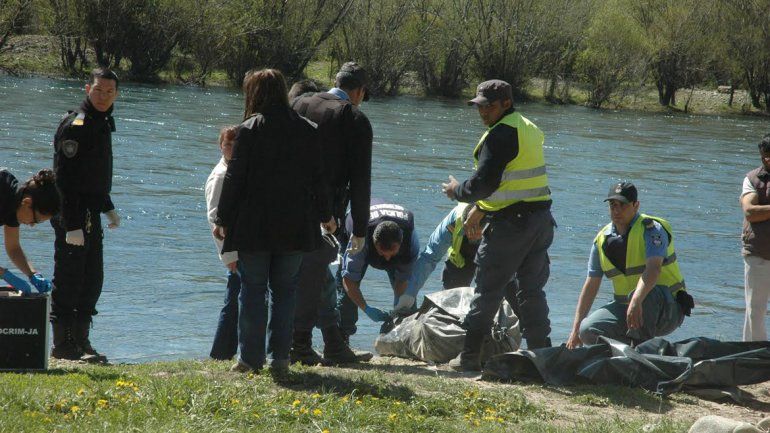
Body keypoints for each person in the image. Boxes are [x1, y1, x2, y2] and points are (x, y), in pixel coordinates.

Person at [214, 68, 335, 373]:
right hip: (296, 226)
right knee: (285, 291)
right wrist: (326, 216)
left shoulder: (248, 130)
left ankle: (249, 359)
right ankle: (279, 359)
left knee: (252, 290)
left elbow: (235, 179)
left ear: (253, 94)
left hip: (254, 226)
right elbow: (318, 179)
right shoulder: (308, 130)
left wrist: (223, 218)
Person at [442, 79, 555, 371]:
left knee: (488, 288)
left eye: (489, 106)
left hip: (510, 226)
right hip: (541, 220)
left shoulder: (500, 134)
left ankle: (468, 357)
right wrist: (481, 209)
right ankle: (542, 357)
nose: (483, 112)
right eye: (479, 106)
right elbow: (513, 184)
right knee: (531, 290)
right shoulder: (529, 128)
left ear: (506, 103)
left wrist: (457, 191)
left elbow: (483, 185)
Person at [289, 62, 373, 365]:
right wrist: (360, 228)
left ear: (335, 81)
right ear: (359, 91)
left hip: (287, 202)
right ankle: (299, 343)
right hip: (325, 213)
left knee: (315, 273)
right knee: (313, 273)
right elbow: (361, 180)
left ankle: (333, 343)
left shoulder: (299, 103)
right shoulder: (355, 118)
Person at [566, 182, 693, 349]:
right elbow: (591, 284)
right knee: (587, 330)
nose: (617, 210)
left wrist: (636, 300)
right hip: (629, 309)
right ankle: (624, 354)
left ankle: (642, 352)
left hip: (669, 310)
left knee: (646, 295)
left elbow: (653, 269)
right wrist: (575, 330)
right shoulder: (601, 240)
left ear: (636, 205)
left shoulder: (652, 230)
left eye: (623, 205)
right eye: (613, 205)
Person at [50, 68, 121, 363]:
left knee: (92, 279)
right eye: (98, 90)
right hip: (72, 214)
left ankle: (81, 340)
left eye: (109, 91)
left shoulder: (101, 122)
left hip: (92, 212)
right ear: (87, 89)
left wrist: (108, 206)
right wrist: (72, 225)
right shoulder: (75, 124)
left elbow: (93, 175)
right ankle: (63, 344)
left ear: (116, 94)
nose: (103, 96)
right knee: (69, 279)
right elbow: (64, 179)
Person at [339, 202, 419, 335]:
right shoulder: (360, 240)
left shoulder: (410, 244)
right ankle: (343, 336)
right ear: (374, 243)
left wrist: (398, 310)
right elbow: (348, 281)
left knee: (407, 302)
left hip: (392, 234)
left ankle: (406, 335)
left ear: (401, 243)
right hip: (358, 228)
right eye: (382, 253)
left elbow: (402, 281)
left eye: (391, 253)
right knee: (346, 296)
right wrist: (366, 308)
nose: (387, 259)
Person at [393, 202, 480, 315]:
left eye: (474, 231)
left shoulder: (498, 225)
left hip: (493, 251)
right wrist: (408, 295)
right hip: (460, 261)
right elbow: (429, 258)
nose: (471, 235)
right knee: (450, 305)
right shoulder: (453, 222)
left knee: (488, 296)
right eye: (468, 230)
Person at [206, 125, 240, 360]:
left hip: (240, 246)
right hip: (233, 251)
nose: (231, 149)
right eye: (227, 145)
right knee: (233, 302)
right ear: (220, 146)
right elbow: (213, 218)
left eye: (236, 145)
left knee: (236, 300)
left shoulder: (234, 169)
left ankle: (225, 352)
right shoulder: (220, 176)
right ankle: (221, 353)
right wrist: (228, 256)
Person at [0, 169, 60, 294]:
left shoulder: (16, 201)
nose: (32, 225)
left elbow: (13, 247)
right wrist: (4, 274)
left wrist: (32, 274)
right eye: (36, 220)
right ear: (27, 202)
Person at [741, 133, 770, 341]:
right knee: (754, 310)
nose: (766, 159)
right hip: (758, 252)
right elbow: (750, 211)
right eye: (764, 156)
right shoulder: (752, 178)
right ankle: (754, 354)